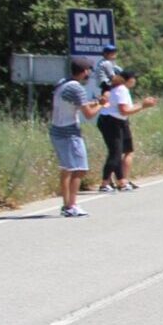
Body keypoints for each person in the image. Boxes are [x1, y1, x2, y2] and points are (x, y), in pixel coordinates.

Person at [51, 57, 104, 216]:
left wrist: (94, 103)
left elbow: (75, 105)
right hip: (70, 132)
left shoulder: (62, 83)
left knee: (67, 169)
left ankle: (66, 205)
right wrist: (101, 104)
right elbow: (88, 114)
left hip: (56, 129)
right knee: (79, 169)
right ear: (85, 71)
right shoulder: (77, 89)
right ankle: (72, 205)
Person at [97, 68, 157, 191]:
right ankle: (105, 182)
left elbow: (126, 109)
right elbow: (124, 110)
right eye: (134, 78)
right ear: (129, 80)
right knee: (115, 152)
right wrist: (143, 105)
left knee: (120, 152)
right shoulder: (121, 90)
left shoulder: (121, 89)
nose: (135, 81)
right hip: (111, 121)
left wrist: (142, 105)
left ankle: (121, 181)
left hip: (116, 121)